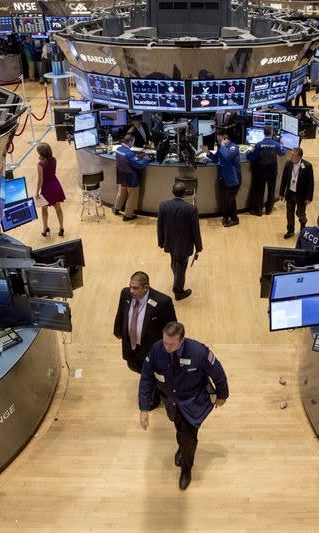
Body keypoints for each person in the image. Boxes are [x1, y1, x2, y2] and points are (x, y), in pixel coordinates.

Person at [138, 321, 229, 490]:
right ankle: (182, 447)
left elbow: (218, 372)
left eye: (171, 344)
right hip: (171, 401)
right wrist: (144, 409)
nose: (166, 347)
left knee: (189, 437)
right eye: (165, 342)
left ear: (182, 341)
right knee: (179, 427)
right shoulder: (157, 350)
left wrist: (222, 394)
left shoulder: (199, 352)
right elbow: (146, 378)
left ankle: (186, 469)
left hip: (193, 402)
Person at [113, 272, 177, 411]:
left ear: (146, 288)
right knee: (136, 367)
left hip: (152, 350)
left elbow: (172, 327)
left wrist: (170, 349)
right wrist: (118, 331)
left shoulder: (162, 302)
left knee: (151, 375)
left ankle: (154, 398)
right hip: (132, 346)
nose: (131, 291)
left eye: (135, 288)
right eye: (130, 287)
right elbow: (121, 313)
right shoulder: (125, 294)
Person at [157, 183, 203, 301]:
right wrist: (199, 246)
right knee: (181, 266)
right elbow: (195, 230)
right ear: (185, 193)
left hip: (170, 242)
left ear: (172, 192)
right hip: (184, 245)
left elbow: (159, 226)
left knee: (174, 261)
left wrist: (161, 241)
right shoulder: (191, 209)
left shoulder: (163, 206)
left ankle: (177, 277)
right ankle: (178, 292)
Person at [201, 131, 242, 227]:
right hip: (223, 177)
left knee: (229, 201)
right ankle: (228, 218)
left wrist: (222, 146)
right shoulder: (221, 147)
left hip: (233, 179)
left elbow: (227, 156)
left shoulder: (234, 147)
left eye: (219, 139)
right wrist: (207, 152)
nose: (218, 141)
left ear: (225, 137)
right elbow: (216, 158)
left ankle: (233, 219)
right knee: (226, 200)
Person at [246, 126, 287, 216]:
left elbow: (252, 157)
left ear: (263, 133)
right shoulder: (276, 144)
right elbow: (282, 153)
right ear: (271, 133)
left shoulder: (258, 145)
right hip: (272, 171)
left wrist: (248, 152)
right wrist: (283, 146)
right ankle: (269, 210)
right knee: (271, 191)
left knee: (260, 191)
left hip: (261, 172)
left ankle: (258, 211)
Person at [279, 147, 314, 239]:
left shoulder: (307, 165)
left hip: (301, 195)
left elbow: (311, 183)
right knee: (289, 213)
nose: (291, 156)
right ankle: (290, 231)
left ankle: (303, 227)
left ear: (299, 156)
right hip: (290, 193)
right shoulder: (288, 163)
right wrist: (281, 193)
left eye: (293, 155)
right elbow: (284, 179)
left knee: (300, 214)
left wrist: (309, 198)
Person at [114, 134, 150, 221]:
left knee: (121, 193)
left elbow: (128, 158)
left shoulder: (118, 150)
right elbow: (140, 165)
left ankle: (116, 208)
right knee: (132, 196)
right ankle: (128, 215)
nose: (133, 144)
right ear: (130, 142)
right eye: (133, 142)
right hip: (131, 178)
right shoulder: (129, 154)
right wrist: (146, 158)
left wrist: (137, 156)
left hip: (122, 175)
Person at [36, 142, 66, 237]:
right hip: (55, 185)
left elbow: (40, 179)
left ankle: (45, 229)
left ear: (41, 153)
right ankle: (61, 228)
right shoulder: (54, 160)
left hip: (46, 188)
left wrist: (37, 192)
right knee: (58, 208)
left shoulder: (40, 164)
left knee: (44, 209)